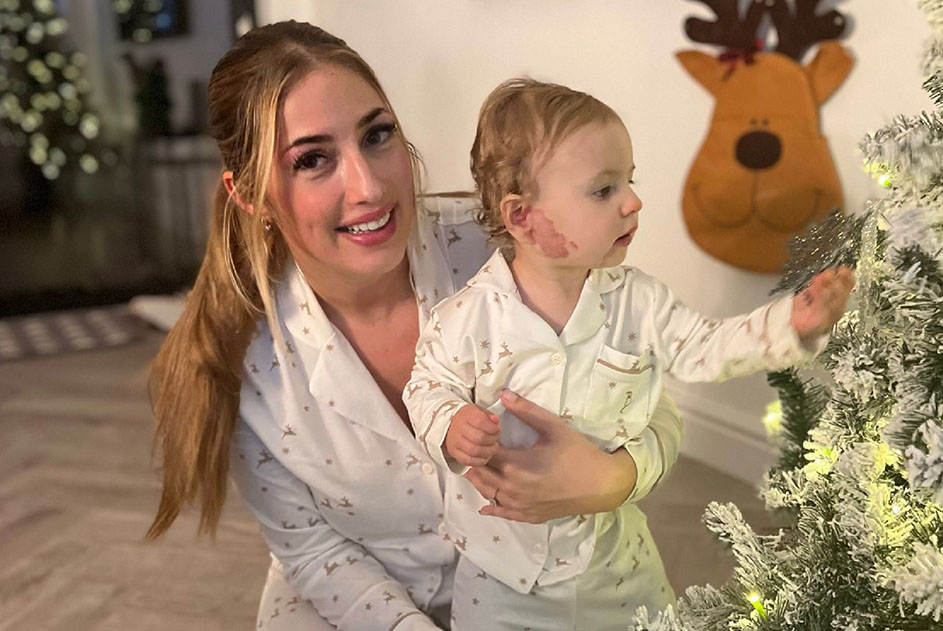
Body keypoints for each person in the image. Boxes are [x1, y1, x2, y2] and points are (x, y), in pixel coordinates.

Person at [145, 22, 683, 631]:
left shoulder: (512, 250)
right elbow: (315, 554)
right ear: (250, 195)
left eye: (378, 136)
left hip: (547, 584)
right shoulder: (241, 357)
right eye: (313, 160)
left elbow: (645, 393)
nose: (369, 186)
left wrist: (616, 477)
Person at [404, 78, 855, 630]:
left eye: (630, 180)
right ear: (522, 216)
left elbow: (706, 348)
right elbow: (425, 384)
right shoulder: (468, 318)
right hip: (502, 578)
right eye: (603, 190)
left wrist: (792, 321)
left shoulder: (639, 301)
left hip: (616, 567)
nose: (634, 201)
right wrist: (450, 424)